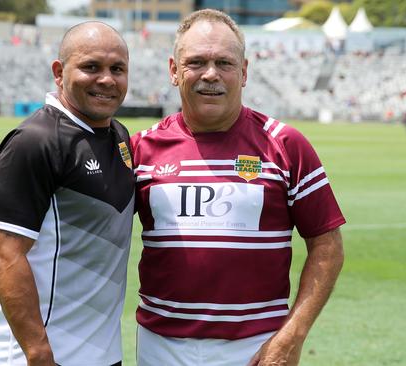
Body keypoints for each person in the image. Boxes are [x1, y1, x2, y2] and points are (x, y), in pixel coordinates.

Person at [130, 9, 346, 366]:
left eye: (224, 63)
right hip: (160, 345)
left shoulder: (286, 145)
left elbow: (328, 247)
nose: (210, 74)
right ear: (173, 70)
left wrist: (292, 336)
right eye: (196, 62)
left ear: (243, 72)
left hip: (256, 347)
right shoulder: (141, 149)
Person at [0, 21, 134, 366]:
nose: (106, 79)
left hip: (102, 353)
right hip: (35, 355)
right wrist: (37, 352)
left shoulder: (120, 136)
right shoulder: (35, 142)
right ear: (59, 72)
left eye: (117, 69)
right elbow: (5, 255)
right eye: (91, 67)